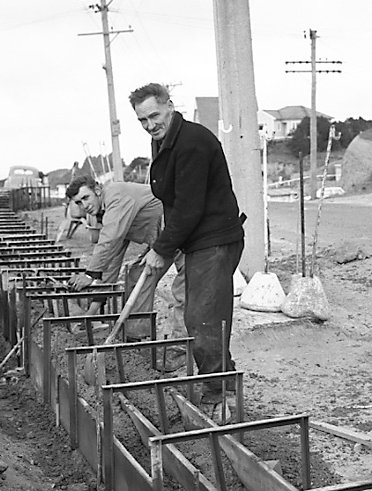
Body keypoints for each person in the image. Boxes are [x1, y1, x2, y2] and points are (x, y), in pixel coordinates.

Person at [128, 83, 245, 420]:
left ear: (169, 106)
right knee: (198, 316)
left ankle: (221, 392)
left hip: (215, 239)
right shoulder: (163, 142)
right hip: (197, 240)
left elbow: (189, 207)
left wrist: (162, 249)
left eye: (154, 115)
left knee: (204, 318)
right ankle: (220, 380)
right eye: (142, 120)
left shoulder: (192, 142)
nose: (150, 124)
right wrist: (160, 244)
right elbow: (172, 203)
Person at [65, 174, 186, 360]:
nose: (84, 205)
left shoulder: (115, 196)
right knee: (137, 275)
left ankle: (182, 347)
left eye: (86, 198)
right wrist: (90, 314)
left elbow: (109, 239)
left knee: (185, 287)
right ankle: (137, 340)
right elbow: (112, 262)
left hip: (182, 231)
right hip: (162, 240)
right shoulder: (107, 212)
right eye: (79, 203)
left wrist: (89, 274)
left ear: (97, 190)